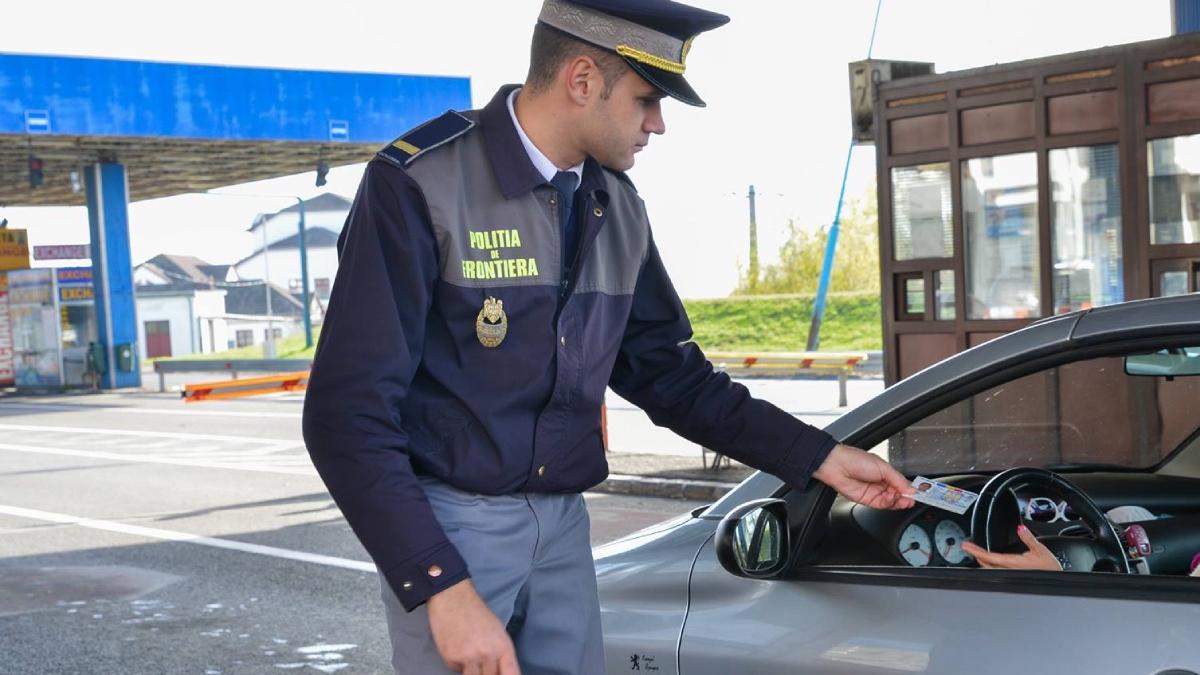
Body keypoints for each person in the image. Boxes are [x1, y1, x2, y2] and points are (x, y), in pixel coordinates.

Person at [301, 1, 916, 673]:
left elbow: (671, 377)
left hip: (564, 527)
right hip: (455, 528)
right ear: (583, 80)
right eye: (646, 100)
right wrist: (439, 584)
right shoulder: (422, 183)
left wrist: (821, 457)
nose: (658, 124)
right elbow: (346, 413)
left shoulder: (617, 206)